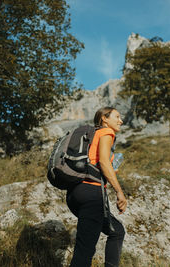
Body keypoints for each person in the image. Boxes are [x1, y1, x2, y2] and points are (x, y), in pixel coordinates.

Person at [66, 107, 128, 267]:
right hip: (91, 194)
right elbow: (104, 163)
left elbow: (96, 162)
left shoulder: (91, 135)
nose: (121, 121)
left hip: (75, 194)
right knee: (84, 252)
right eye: (117, 117)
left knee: (117, 230)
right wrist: (119, 192)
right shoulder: (107, 133)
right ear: (104, 119)